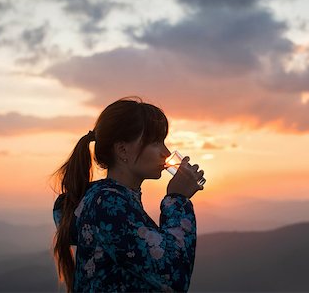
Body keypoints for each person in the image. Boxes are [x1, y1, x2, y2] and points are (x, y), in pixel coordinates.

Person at [52, 97, 205, 292]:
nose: (166, 153)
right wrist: (177, 200)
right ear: (123, 150)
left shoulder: (111, 199)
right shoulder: (108, 205)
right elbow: (172, 275)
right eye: (156, 142)